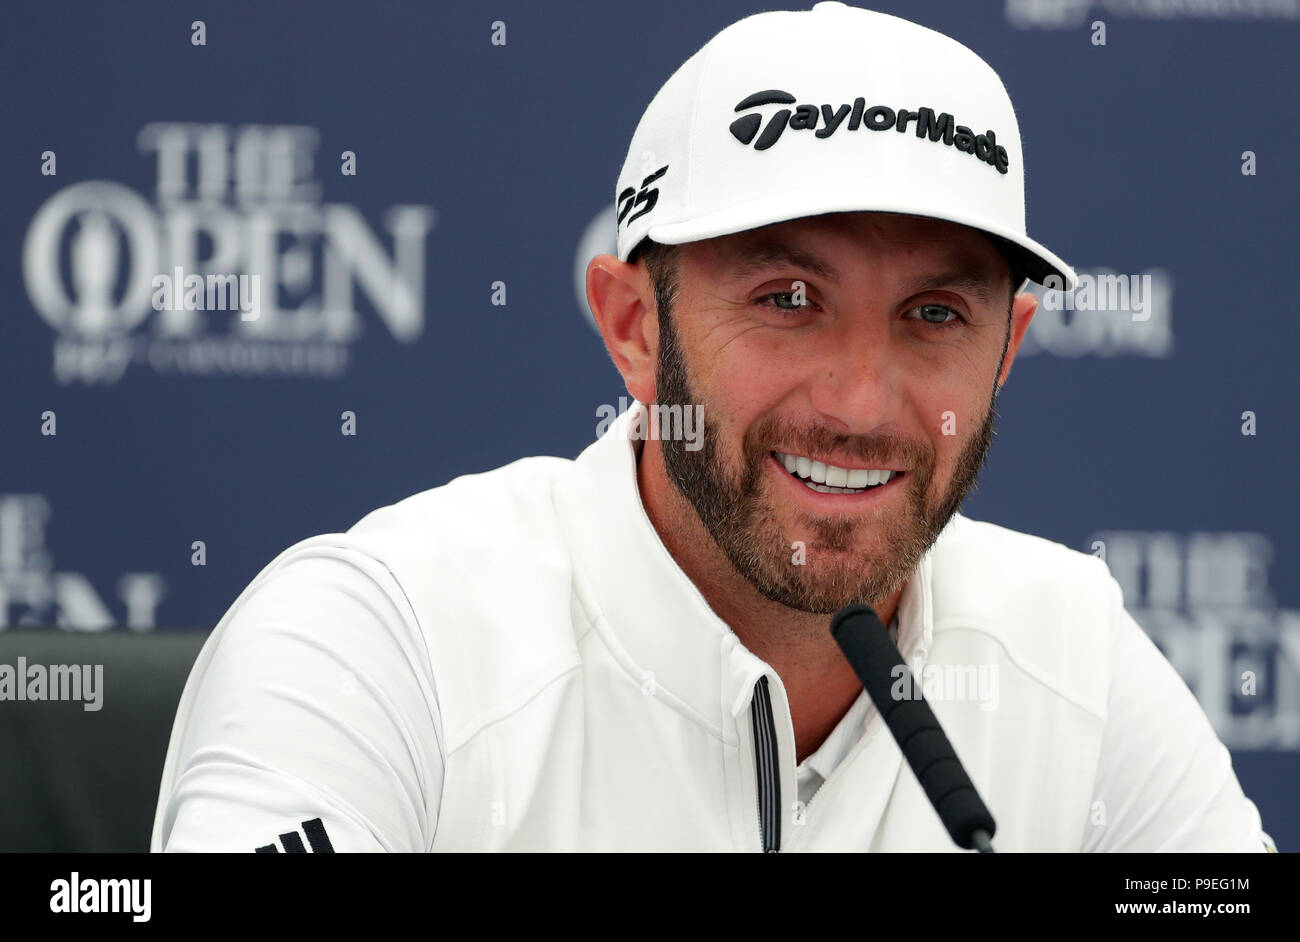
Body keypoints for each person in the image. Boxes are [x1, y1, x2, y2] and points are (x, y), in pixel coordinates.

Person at [151, 2, 1273, 852]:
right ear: (634, 328)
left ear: (1008, 350)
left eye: (935, 314)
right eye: (788, 299)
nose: (860, 404)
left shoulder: (1071, 653)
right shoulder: (381, 642)